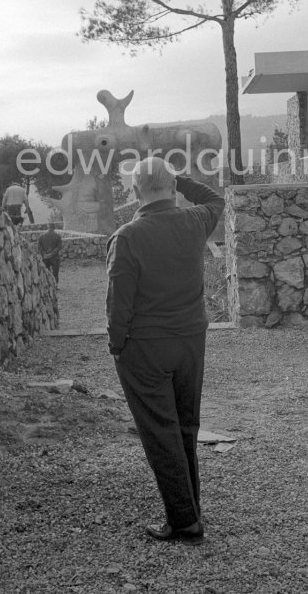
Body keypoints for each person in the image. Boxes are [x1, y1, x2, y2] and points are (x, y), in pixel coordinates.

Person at [106, 157, 224, 544]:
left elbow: (118, 303)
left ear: (136, 190)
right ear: (172, 189)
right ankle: (191, 509)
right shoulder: (195, 222)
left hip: (145, 347)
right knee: (186, 426)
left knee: (161, 432)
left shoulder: (128, 236)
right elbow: (214, 199)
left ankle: (185, 521)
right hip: (191, 341)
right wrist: (181, 181)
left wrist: (117, 346)